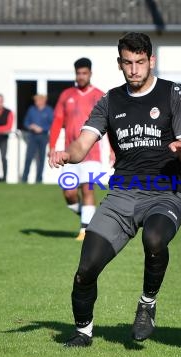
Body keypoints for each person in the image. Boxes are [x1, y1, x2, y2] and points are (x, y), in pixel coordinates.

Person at [49, 32, 181, 347]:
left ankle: (147, 304)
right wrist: (68, 154)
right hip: (122, 195)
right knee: (85, 270)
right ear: (119, 63)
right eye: (128, 63)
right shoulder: (110, 100)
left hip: (164, 192)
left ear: (151, 61)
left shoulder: (172, 94)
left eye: (140, 62)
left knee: (154, 239)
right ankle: (83, 332)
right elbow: (84, 143)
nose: (134, 70)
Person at [48, 57, 106, 241]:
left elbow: (110, 124)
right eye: (78, 73)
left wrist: (113, 150)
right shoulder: (66, 95)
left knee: (88, 189)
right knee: (69, 192)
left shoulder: (99, 95)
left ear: (90, 73)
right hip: (70, 153)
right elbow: (57, 122)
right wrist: (52, 146)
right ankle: (88, 218)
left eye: (84, 73)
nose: (81, 76)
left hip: (92, 152)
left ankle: (85, 231)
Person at [21, 94, 54, 184]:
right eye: (35, 100)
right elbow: (26, 122)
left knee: (41, 159)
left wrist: (42, 128)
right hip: (32, 136)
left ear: (43, 101)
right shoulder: (31, 109)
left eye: (37, 100)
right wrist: (31, 126)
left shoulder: (49, 110)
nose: (36, 102)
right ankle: (24, 179)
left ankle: (39, 179)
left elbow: (53, 124)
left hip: (43, 137)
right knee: (28, 157)